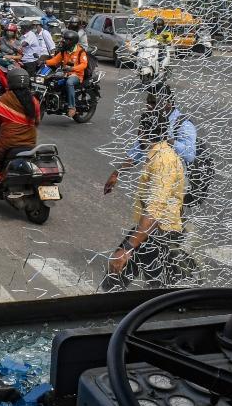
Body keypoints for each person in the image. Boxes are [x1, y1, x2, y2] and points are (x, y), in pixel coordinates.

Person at [101, 111, 187, 290]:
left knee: (114, 280)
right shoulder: (158, 154)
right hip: (157, 231)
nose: (137, 133)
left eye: (139, 129)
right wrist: (117, 173)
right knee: (159, 287)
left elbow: (154, 211)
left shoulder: (163, 162)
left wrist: (128, 248)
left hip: (157, 231)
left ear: (143, 132)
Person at [103, 83, 196, 194]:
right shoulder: (152, 120)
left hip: (173, 184)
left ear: (168, 103)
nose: (148, 106)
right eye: (148, 102)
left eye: (153, 102)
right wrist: (116, 174)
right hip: (153, 180)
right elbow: (138, 150)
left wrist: (165, 139)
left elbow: (190, 155)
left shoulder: (183, 124)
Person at [0, 66, 41, 212]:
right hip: (30, 141)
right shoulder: (33, 100)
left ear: (10, 82)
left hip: (8, 141)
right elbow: (37, 122)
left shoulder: (6, 98)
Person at [44, 30, 89, 119]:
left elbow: (84, 64)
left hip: (76, 75)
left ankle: (72, 107)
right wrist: (44, 61)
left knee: (69, 83)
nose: (64, 41)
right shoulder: (64, 51)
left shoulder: (80, 51)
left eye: (67, 40)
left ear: (72, 41)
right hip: (65, 73)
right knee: (52, 81)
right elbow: (55, 60)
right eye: (64, 39)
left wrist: (72, 69)